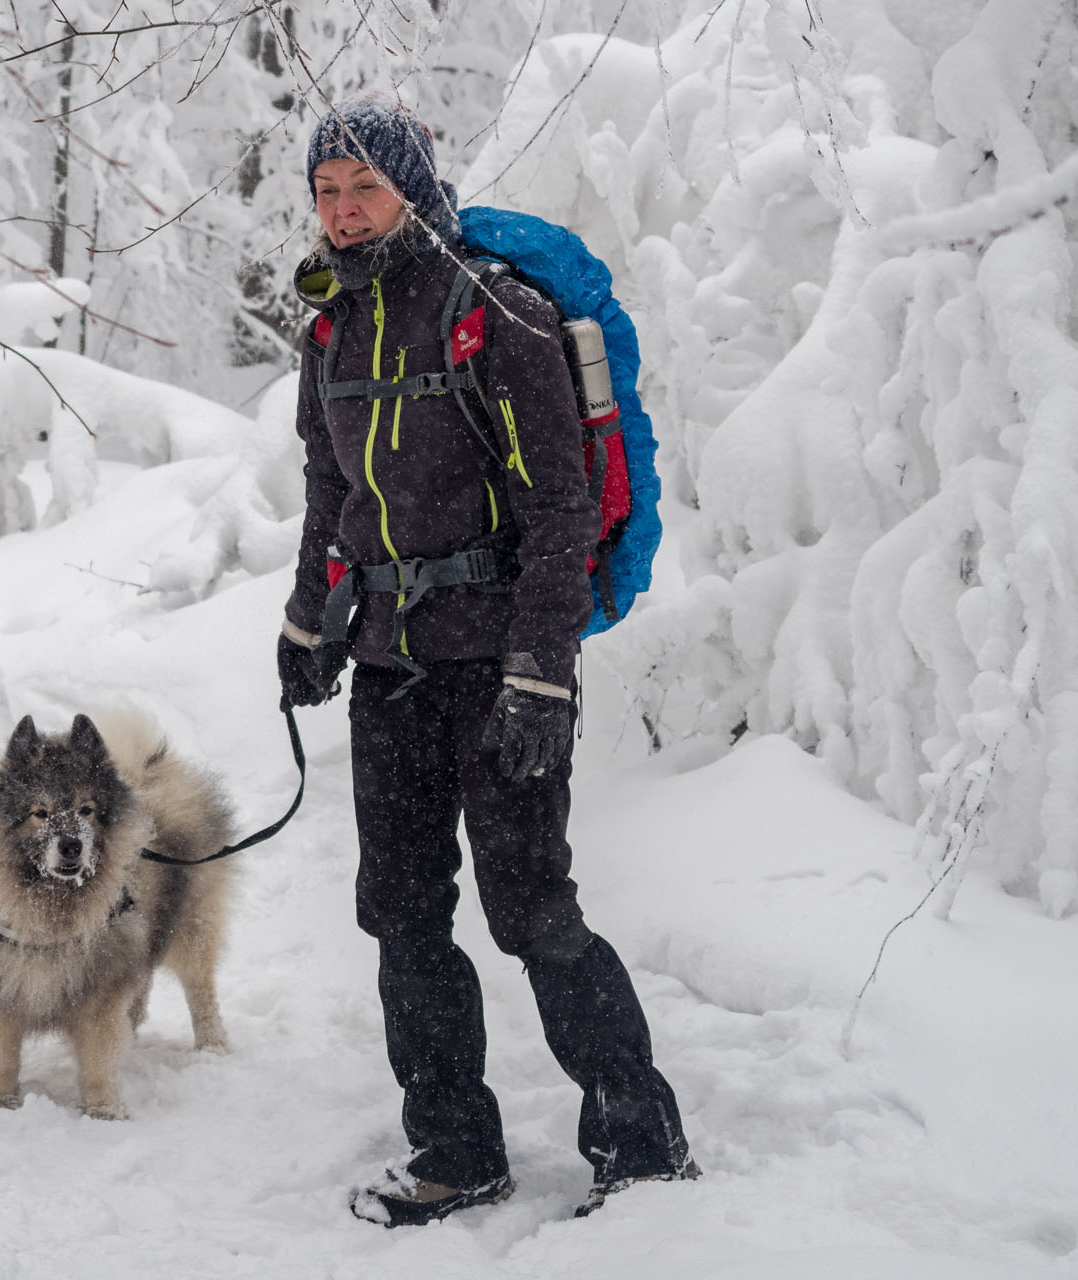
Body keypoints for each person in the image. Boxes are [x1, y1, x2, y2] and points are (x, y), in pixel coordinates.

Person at [275, 93, 697, 1226]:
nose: (346, 211)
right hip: (392, 669)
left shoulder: (492, 312)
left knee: (532, 912)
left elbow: (561, 508)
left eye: (365, 186)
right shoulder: (330, 329)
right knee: (402, 913)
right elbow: (332, 496)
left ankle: (641, 1144)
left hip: (499, 666)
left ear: (410, 187)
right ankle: (456, 1150)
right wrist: (309, 624)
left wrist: (541, 672)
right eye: (328, 191)